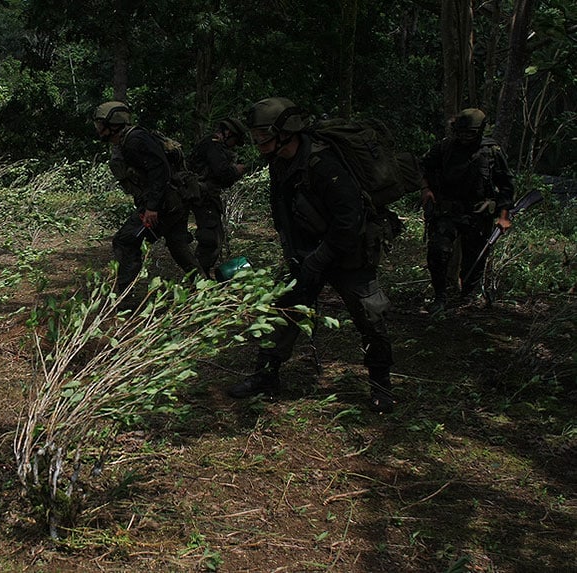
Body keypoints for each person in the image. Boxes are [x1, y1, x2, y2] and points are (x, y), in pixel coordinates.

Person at [224, 97, 396, 413]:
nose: (257, 141)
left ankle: (381, 385)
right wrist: (295, 254)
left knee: (371, 317)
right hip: (307, 251)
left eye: (263, 134)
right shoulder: (280, 163)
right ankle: (266, 375)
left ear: (285, 132)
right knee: (283, 310)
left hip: (349, 252)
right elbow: (282, 212)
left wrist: (319, 258)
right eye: (255, 134)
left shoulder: (325, 164)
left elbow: (349, 220)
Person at [92, 101, 204, 291]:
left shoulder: (135, 140)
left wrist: (152, 207)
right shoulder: (130, 140)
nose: (98, 129)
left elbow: (160, 170)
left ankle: (123, 295)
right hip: (172, 202)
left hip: (164, 205)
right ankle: (203, 285)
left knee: (125, 241)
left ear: (113, 124)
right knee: (177, 245)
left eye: (100, 125)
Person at [420, 108, 515, 313]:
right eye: (460, 133)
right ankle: (440, 297)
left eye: (469, 133)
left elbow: (506, 186)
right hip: (447, 211)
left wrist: (504, 216)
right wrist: (426, 189)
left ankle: (467, 298)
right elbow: (424, 167)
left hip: (478, 214)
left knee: (475, 259)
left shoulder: (491, 152)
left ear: (479, 131)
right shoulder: (444, 147)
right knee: (438, 252)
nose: (464, 137)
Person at [187, 118, 246, 278]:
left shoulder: (212, 144)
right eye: (234, 141)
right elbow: (221, 173)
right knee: (211, 238)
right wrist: (236, 170)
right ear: (228, 133)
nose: (233, 145)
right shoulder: (213, 145)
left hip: (205, 196)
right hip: (203, 197)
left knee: (213, 237)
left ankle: (200, 275)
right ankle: (198, 278)